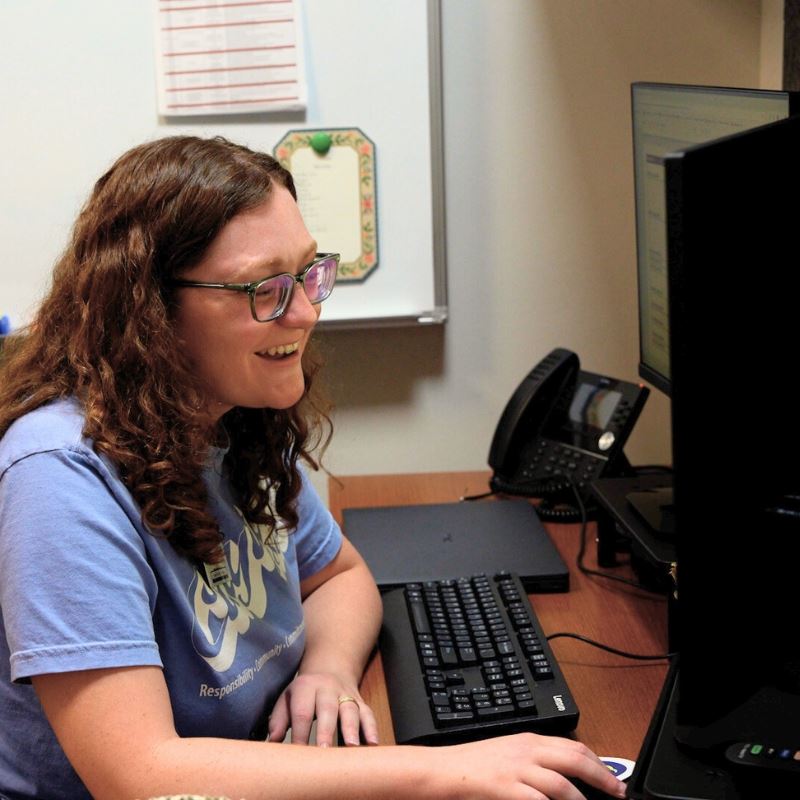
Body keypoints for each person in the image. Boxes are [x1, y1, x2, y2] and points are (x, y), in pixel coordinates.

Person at [0, 135, 626, 800]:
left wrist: (325, 672)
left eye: (307, 273)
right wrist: (444, 770)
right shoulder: (60, 476)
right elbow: (140, 775)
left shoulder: (229, 418)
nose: (304, 311)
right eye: (265, 288)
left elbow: (341, 575)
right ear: (151, 311)